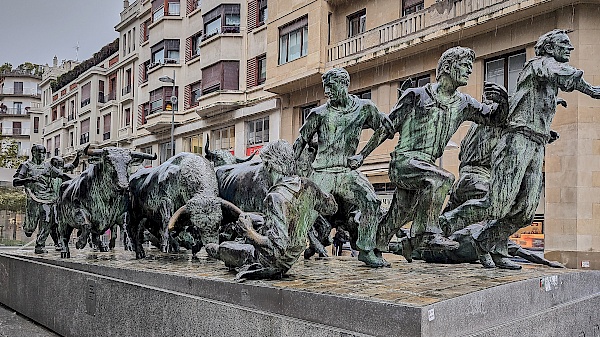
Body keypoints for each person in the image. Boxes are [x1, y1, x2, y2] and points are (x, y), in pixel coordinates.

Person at [447, 30, 600, 269]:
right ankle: (439, 226)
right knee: (497, 203)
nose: (570, 50)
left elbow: (530, 106)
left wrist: (546, 130)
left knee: (527, 211)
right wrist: (592, 90)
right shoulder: (539, 64)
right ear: (550, 48)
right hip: (517, 141)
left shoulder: (546, 81)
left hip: (536, 144)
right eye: (565, 45)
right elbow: (565, 75)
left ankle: (485, 241)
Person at [351, 46, 508, 262]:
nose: (469, 71)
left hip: (425, 167)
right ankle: (427, 233)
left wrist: (503, 103)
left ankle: (370, 249)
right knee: (443, 178)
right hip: (404, 162)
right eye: (464, 66)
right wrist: (362, 155)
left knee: (400, 214)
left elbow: (493, 119)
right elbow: (386, 128)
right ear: (446, 67)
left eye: (471, 67)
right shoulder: (415, 96)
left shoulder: (464, 104)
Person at [292, 67, 394, 267]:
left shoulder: (364, 108)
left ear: (344, 85)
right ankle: (290, 250)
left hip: (347, 172)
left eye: (331, 86)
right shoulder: (318, 114)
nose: (327, 91)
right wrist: (290, 174)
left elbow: (385, 129)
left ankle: (365, 249)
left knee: (372, 202)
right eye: (325, 87)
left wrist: (362, 155)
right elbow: (300, 143)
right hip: (322, 172)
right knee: (306, 213)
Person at [206, 140, 338, 279]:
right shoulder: (308, 185)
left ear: (269, 165)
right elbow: (331, 208)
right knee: (254, 219)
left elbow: (278, 247)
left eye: (265, 164)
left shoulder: (275, 197)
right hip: (294, 253)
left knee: (225, 247)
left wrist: (248, 231)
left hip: (272, 261)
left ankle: (217, 250)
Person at [13, 145, 57, 253]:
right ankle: (28, 227)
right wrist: (30, 179)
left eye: (43, 153)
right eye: (39, 153)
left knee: (47, 219)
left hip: (46, 198)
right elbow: (15, 181)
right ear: (33, 153)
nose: (42, 155)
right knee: (30, 228)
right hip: (33, 198)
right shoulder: (26, 165)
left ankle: (40, 245)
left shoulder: (48, 166)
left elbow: (61, 173)